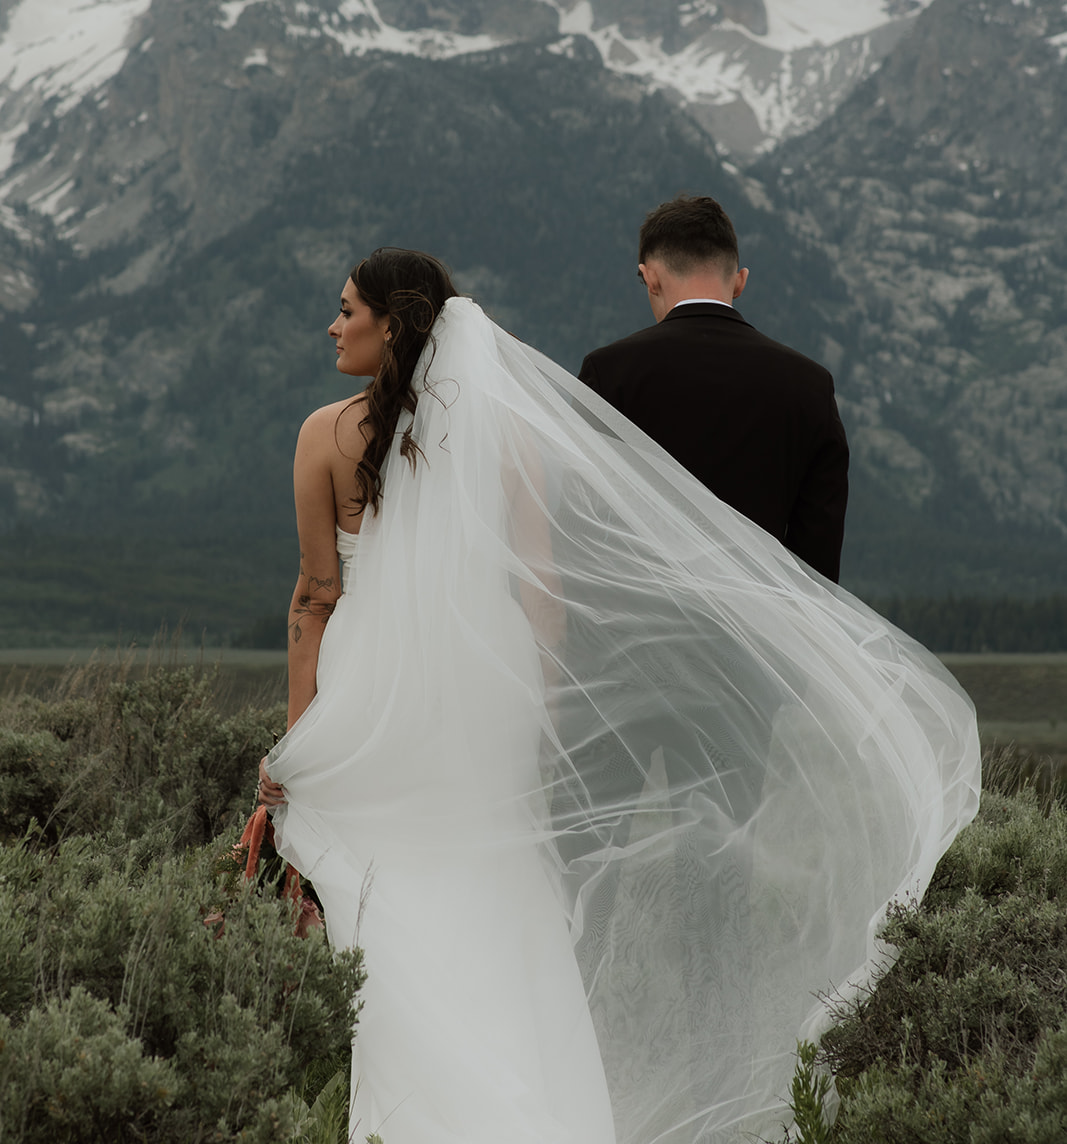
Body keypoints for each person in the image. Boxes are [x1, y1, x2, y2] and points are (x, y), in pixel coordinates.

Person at [259, 246, 980, 1144]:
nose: (332, 326)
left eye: (344, 309)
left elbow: (314, 599)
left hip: (371, 689)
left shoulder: (323, 434)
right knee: (498, 878)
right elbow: (545, 596)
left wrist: (297, 740)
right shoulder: (509, 436)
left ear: (390, 324)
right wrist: (544, 703)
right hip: (492, 691)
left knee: (390, 887)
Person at [579, 194, 850, 581]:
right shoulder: (811, 386)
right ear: (739, 282)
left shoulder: (608, 373)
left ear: (650, 277)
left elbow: (587, 524)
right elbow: (818, 563)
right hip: (763, 633)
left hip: (643, 627)